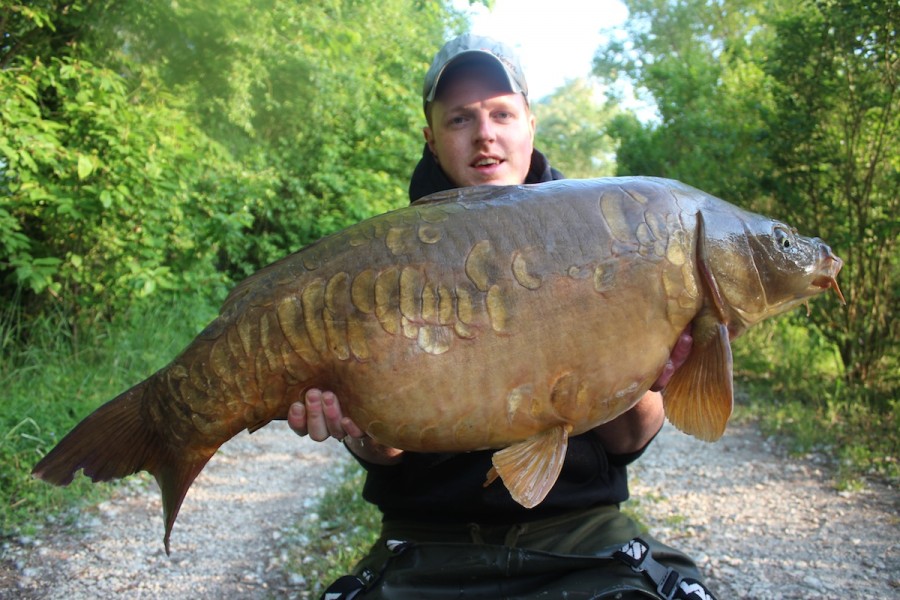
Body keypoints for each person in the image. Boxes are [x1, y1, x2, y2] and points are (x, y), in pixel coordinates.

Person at [288, 34, 709, 599]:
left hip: (581, 538)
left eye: (501, 113)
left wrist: (639, 377)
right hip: (425, 542)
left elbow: (626, 441)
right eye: (460, 119)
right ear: (431, 139)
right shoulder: (382, 262)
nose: (484, 134)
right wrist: (356, 424)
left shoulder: (612, 239)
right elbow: (385, 455)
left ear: (530, 125)